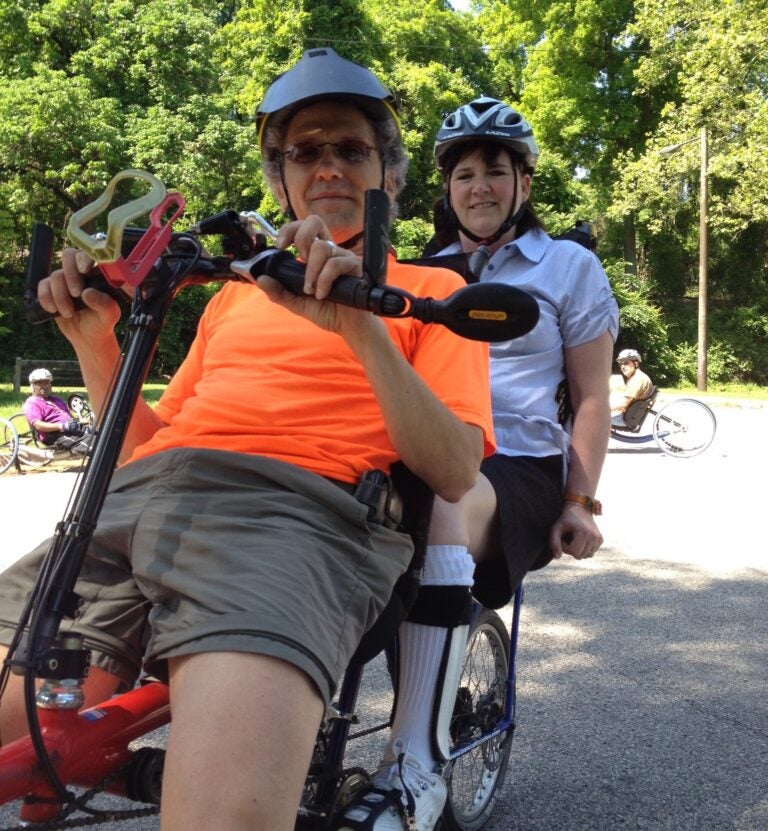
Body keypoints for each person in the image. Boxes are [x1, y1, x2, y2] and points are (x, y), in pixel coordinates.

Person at [0, 49, 496, 831]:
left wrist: (364, 332)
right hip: (131, 507)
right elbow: (145, 447)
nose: (328, 165)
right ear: (282, 181)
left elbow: (455, 468)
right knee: (26, 747)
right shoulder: (232, 298)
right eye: (305, 152)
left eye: (352, 149)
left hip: (290, 518)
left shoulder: (433, 293)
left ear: (389, 176)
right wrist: (97, 345)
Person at [335, 96, 619, 831]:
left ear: (524, 181)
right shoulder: (418, 273)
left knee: (448, 506)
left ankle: (415, 763)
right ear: (446, 187)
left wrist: (579, 502)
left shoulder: (570, 267)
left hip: (515, 468)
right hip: (425, 451)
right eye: (465, 174)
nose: (480, 187)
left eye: (497, 170)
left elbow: (591, 397)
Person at [22, 368, 86, 446]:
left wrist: (80, 422)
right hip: (54, 436)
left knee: (99, 435)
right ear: (33, 386)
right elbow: (38, 425)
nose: (44, 386)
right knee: (92, 444)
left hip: (71, 431)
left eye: (47, 383)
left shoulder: (57, 399)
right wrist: (62, 426)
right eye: (40, 384)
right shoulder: (32, 403)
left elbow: (70, 418)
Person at [610, 348, 653, 426]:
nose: (622, 366)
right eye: (621, 364)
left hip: (627, 419)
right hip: (631, 415)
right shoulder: (638, 376)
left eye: (626, 363)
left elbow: (623, 403)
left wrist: (603, 410)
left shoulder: (637, 379)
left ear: (636, 364)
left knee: (596, 417)